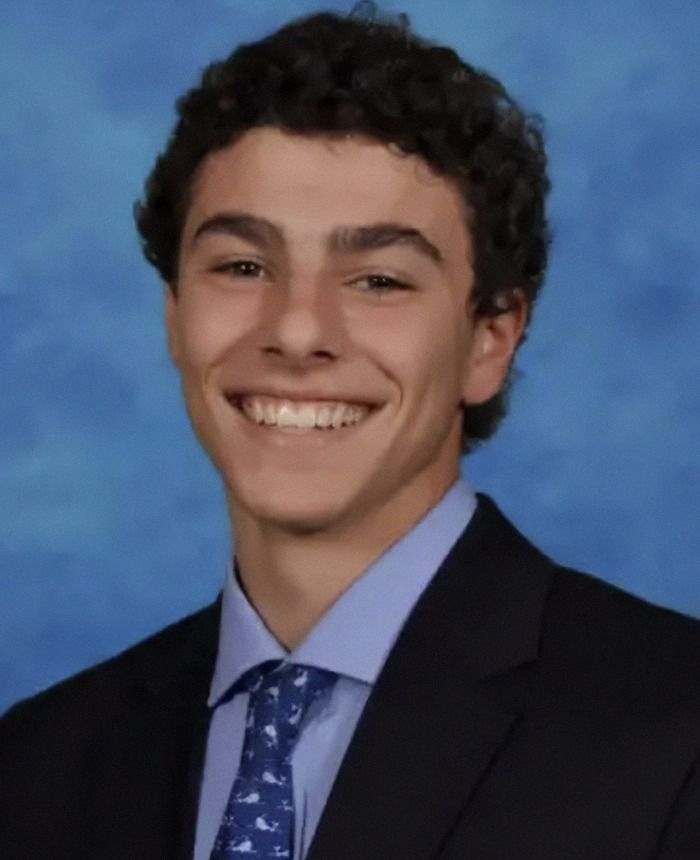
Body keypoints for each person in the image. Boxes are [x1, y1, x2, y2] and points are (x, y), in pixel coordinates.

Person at [1, 8, 699, 859]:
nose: (296, 332)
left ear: (491, 339)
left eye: (377, 279)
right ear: (175, 315)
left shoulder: (674, 734)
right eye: (243, 267)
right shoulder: (39, 763)